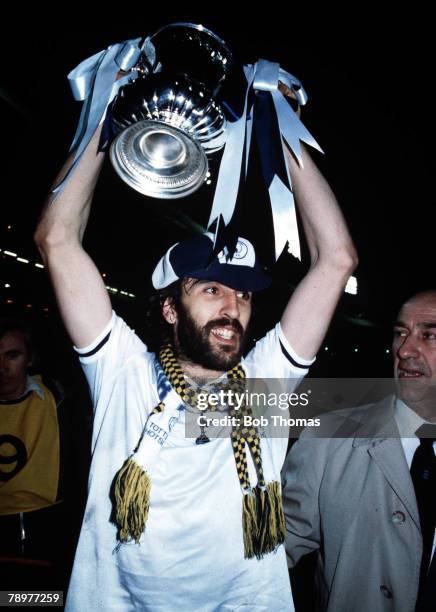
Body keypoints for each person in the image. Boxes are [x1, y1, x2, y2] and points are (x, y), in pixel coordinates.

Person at [34, 77, 357, 610]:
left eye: (243, 296)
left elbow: (337, 259)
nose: (232, 308)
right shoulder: (124, 372)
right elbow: (56, 237)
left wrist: (281, 126)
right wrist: (110, 107)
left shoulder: (266, 384)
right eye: (211, 290)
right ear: (169, 308)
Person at [282, 290, 436, 612]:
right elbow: (264, 553)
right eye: (400, 334)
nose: (405, 350)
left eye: (429, 335)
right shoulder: (328, 438)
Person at [0, 319, 67, 580]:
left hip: (47, 523)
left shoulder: (57, 396)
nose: (2, 368)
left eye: (12, 355)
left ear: (30, 358)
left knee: (38, 596)